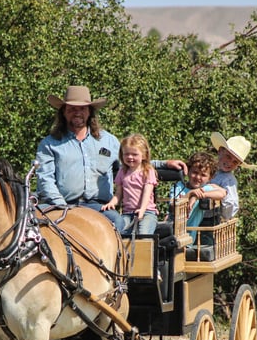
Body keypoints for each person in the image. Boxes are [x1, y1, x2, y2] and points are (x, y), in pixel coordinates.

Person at [35, 85, 187, 231]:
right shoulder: (49, 144)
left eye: (82, 108)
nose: (77, 112)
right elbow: (45, 179)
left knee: (117, 223)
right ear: (63, 112)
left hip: (98, 206)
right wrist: (62, 206)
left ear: (90, 111)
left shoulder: (108, 141)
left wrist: (164, 163)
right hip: (62, 205)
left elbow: (130, 162)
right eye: (71, 109)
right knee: (33, 227)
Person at [101, 133, 158, 235]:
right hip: (128, 213)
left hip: (147, 212)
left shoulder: (148, 171)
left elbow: (147, 193)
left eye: (134, 154)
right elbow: (119, 194)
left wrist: (142, 209)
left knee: (143, 233)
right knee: (119, 232)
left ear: (144, 155)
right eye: (126, 154)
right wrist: (112, 203)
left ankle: (143, 250)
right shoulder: (122, 172)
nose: (130, 157)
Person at [169, 151, 226, 241]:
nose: (198, 177)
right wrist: (190, 194)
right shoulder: (179, 186)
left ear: (210, 178)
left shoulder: (204, 189)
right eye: (195, 172)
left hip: (188, 237)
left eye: (203, 175)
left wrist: (199, 195)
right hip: (171, 232)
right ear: (188, 171)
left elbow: (223, 193)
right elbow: (172, 206)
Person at [209, 132, 256, 219]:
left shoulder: (228, 180)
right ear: (220, 151)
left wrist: (221, 194)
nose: (230, 163)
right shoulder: (206, 167)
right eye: (228, 156)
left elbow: (230, 210)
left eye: (235, 162)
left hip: (210, 222)